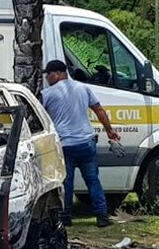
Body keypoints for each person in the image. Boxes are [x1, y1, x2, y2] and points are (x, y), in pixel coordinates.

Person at [41, 59, 121, 228]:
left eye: (48, 74)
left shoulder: (47, 94)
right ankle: (102, 216)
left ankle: (66, 218)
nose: (47, 78)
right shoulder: (84, 88)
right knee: (93, 181)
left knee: (67, 183)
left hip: (65, 146)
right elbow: (99, 110)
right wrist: (110, 131)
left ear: (58, 73)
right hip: (86, 143)